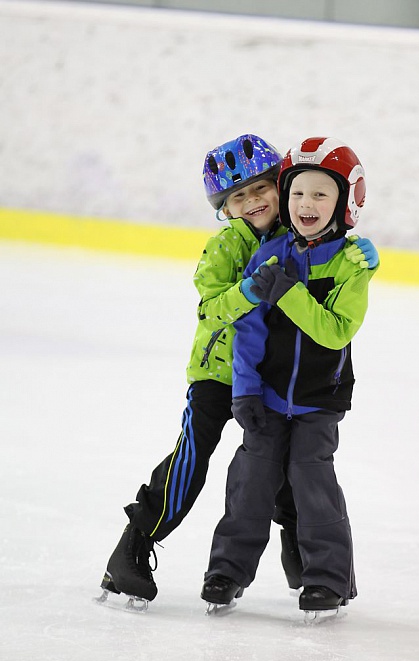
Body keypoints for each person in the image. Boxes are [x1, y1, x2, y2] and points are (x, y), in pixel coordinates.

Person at [99, 134, 302, 606]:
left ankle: (300, 547)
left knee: (287, 464)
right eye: (238, 196)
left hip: (273, 374)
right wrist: (249, 291)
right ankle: (132, 547)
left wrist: (360, 255)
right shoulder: (224, 246)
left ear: (279, 186)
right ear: (225, 208)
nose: (253, 201)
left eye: (260, 188)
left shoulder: (297, 238)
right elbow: (211, 308)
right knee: (190, 460)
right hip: (216, 374)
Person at [201, 136, 379, 617]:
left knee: (312, 484)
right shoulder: (272, 253)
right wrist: (245, 390)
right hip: (268, 395)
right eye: (297, 192)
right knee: (250, 480)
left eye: (321, 194)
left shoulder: (350, 264)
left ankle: (328, 580)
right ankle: (226, 572)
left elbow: (334, 331)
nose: (306, 204)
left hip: (320, 399)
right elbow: (248, 329)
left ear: (345, 202)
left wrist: (288, 294)